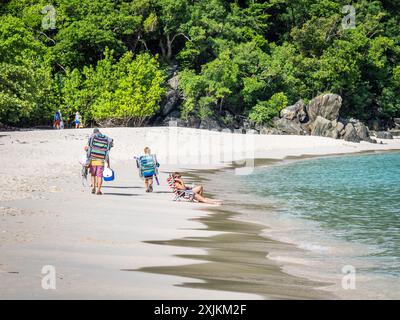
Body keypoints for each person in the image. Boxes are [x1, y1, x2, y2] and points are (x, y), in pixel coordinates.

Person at [84, 128, 113, 195]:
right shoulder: (104, 141)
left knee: (93, 175)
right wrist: (108, 164)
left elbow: (88, 150)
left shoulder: (93, 139)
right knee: (99, 176)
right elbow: (107, 154)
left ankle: (93, 187)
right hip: (101, 161)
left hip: (93, 160)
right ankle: (98, 190)